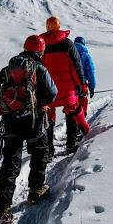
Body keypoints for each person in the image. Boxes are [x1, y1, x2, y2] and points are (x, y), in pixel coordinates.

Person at [0, 35, 57, 224]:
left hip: (10, 122)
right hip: (34, 121)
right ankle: (36, 190)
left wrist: (11, 104)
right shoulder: (39, 68)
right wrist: (37, 103)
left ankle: (3, 206)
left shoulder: (8, 69)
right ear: (39, 51)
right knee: (39, 154)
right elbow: (52, 93)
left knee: (10, 162)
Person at [40, 16, 90, 155]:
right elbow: (76, 66)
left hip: (49, 89)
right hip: (68, 89)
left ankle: (49, 149)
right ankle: (71, 143)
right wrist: (81, 84)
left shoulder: (42, 44)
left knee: (48, 117)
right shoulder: (67, 43)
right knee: (72, 112)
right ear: (59, 26)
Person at [74, 36, 96, 118]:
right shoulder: (85, 55)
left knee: (73, 103)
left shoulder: (68, 52)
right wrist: (92, 86)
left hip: (71, 83)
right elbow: (90, 71)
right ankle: (82, 119)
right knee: (83, 100)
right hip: (82, 82)